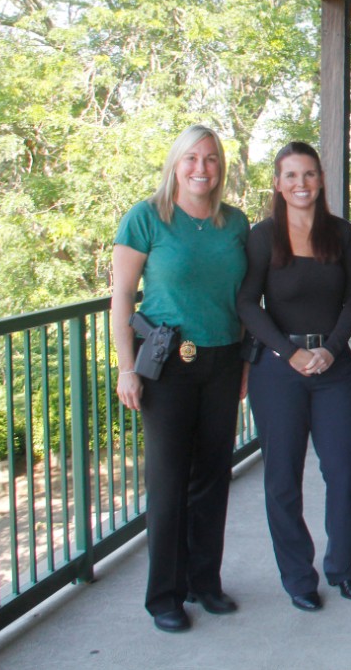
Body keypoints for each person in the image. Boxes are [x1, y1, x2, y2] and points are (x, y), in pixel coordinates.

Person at [111, 124, 249, 633]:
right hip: (166, 365)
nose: (201, 168)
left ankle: (203, 582)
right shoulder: (146, 218)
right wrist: (127, 366)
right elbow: (122, 298)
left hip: (223, 361)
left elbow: (244, 300)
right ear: (175, 163)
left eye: (210, 159)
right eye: (191, 158)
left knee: (213, 478)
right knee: (168, 483)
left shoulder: (234, 223)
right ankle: (164, 595)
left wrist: (246, 366)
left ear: (220, 167)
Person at [237, 142, 351, 610]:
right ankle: (298, 578)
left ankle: (341, 567)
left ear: (321, 180)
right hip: (278, 371)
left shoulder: (341, 233)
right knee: (283, 479)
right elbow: (248, 302)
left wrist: (332, 350)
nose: (301, 184)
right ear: (277, 182)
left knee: (344, 472)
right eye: (291, 176)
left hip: (333, 369)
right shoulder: (261, 236)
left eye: (309, 174)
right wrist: (288, 352)